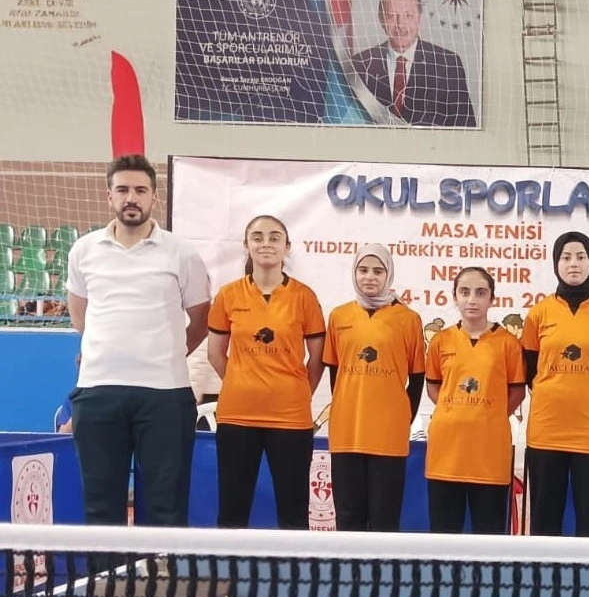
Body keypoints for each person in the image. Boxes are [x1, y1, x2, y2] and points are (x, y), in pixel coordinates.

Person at [65, 154, 211, 527]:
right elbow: (80, 314)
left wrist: (167, 355)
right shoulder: (83, 250)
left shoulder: (182, 253)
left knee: (167, 506)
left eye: (141, 190)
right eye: (123, 190)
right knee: (100, 507)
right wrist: (105, 349)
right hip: (98, 393)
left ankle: (161, 567)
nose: (132, 198)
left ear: (154, 197)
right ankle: (106, 568)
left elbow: (200, 320)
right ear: (109, 196)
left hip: (165, 395)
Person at [207, 215, 325, 529]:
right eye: (257, 237)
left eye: (275, 237)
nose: (266, 244)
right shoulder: (229, 295)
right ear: (246, 245)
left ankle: (292, 566)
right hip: (237, 416)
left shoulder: (304, 297)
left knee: (294, 514)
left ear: (287, 247)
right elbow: (215, 354)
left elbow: (317, 360)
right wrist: (240, 381)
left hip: (290, 417)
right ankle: (231, 564)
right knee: (232, 513)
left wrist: (298, 392)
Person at [520, 232, 589, 537]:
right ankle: (544, 571)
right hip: (547, 431)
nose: (573, 264)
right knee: (544, 522)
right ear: (555, 263)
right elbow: (529, 370)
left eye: (581, 257)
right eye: (566, 257)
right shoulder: (538, 314)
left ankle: (588, 572)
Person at [323, 244, 425, 531]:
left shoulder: (408, 319)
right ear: (354, 272)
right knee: (348, 518)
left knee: (384, 520)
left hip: (388, 434)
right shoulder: (339, 316)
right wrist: (346, 409)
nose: (370, 277)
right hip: (347, 431)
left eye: (378, 271)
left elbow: (417, 378)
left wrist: (402, 418)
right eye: (363, 270)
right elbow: (335, 373)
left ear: (388, 274)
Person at [425, 267, 526, 533]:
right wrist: (452, 410)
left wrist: (489, 414)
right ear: (454, 297)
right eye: (465, 292)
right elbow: (433, 385)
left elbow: (517, 392)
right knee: (444, 539)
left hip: (489, 454)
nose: (472, 300)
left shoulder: (508, 344)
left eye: (480, 293)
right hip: (446, 455)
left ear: (492, 299)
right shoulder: (441, 341)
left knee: (489, 539)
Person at [353, 0, 477, 128]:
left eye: (408, 15)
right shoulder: (360, 63)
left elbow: (465, 127)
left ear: (419, 19)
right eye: (392, 15)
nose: (400, 24)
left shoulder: (447, 64)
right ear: (381, 19)